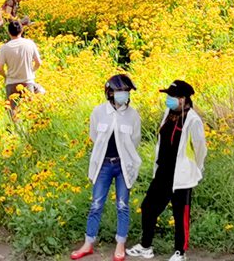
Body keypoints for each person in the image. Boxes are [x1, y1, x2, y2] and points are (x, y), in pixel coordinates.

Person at [127, 80, 207, 261]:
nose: (168, 99)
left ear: (183, 99)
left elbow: (200, 147)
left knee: (180, 214)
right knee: (148, 207)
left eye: (172, 97)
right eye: (168, 96)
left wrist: (197, 168)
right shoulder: (168, 113)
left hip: (182, 175)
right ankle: (146, 246)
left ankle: (180, 252)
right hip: (163, 171)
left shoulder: (193, 120)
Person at [71, 75, 142, 260]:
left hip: (122, 166)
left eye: (126, 91)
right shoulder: (98, 112)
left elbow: (135, 141)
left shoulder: (133, 115)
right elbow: (95, 136)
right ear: (110, 92)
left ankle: (120, 244)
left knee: (122, 205)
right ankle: (88, 243)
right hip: (103, 164)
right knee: (96, 204)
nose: (124, 95)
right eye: (120, 91)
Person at [0, 20, 44, 115]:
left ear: (8, 32)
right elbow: (38, 63)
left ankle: (16, 129)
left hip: (11, 83)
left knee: (13, 114)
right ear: (21, 31)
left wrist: (6, 77)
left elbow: (0, 69)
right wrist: (32, 71)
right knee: (30, 112)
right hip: (27, 82)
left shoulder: (4, 48)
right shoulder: (30, 44)